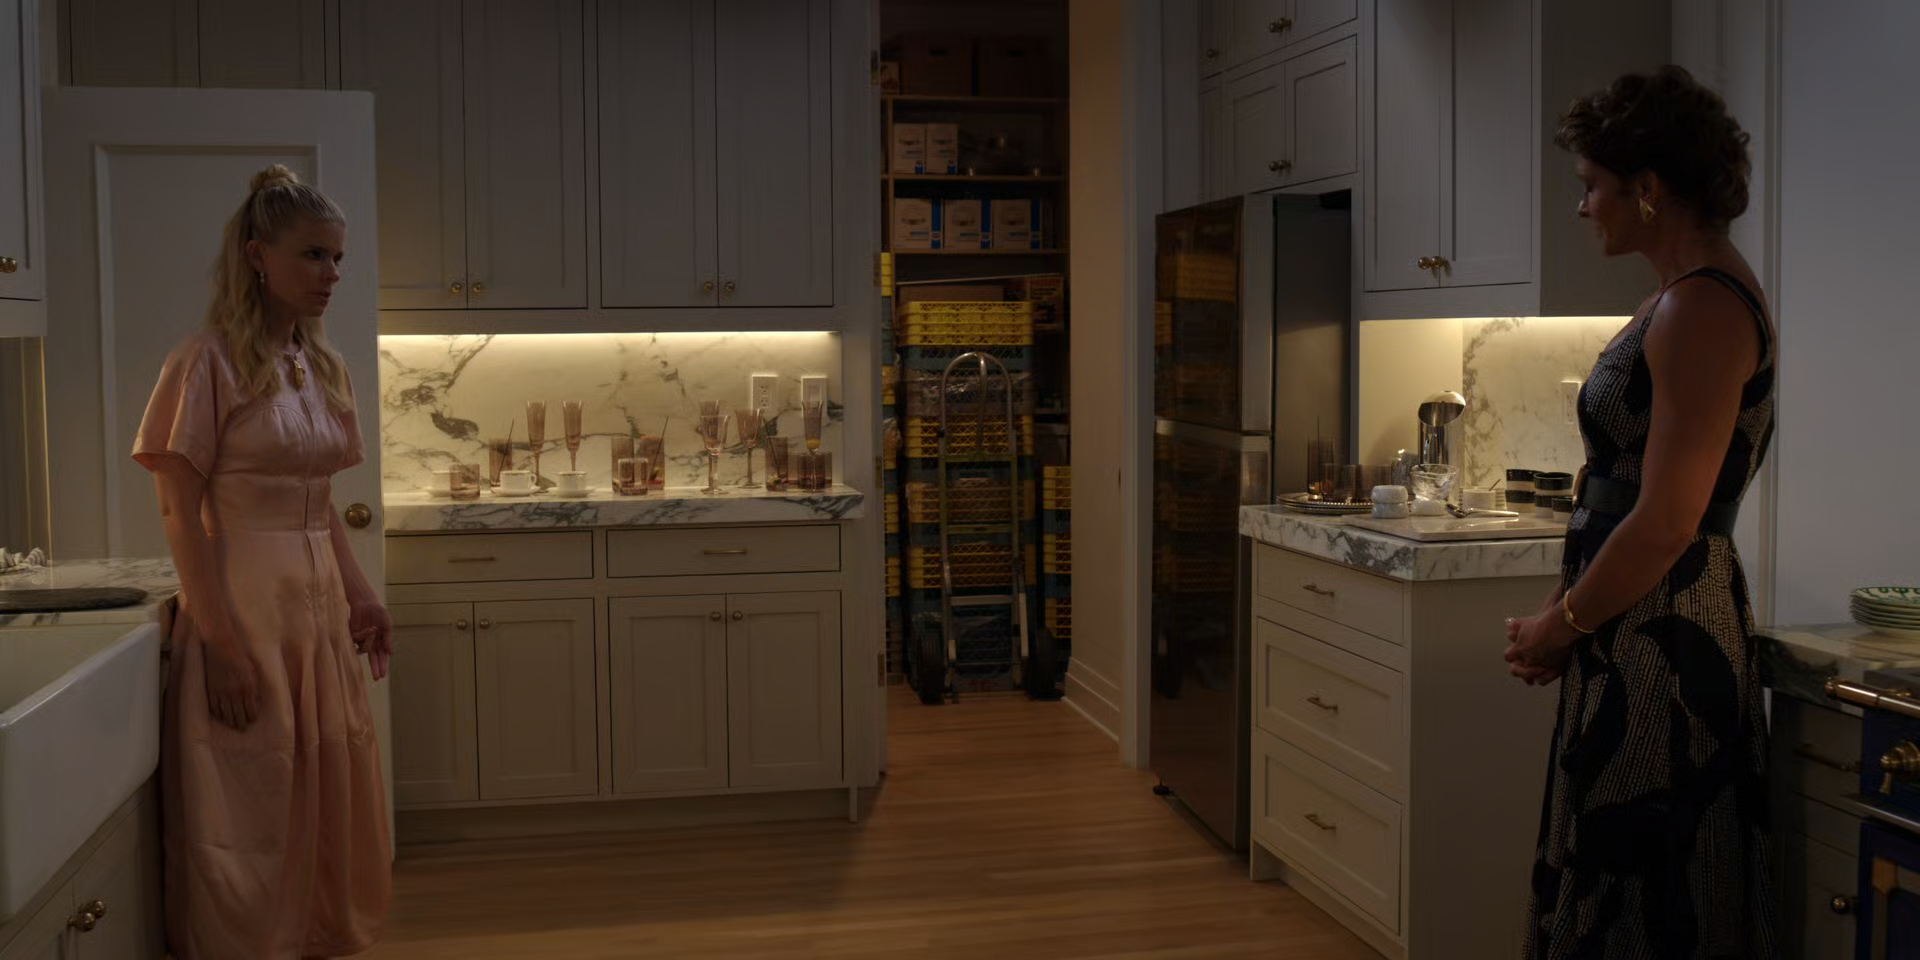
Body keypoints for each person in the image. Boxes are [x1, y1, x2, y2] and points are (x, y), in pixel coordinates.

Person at [1501, 65, 1778, 959]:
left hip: (1665, 632)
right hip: (1634, 619)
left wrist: (1562, 624)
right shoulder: (1679, 295)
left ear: (1647, 188)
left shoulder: (1703, 308)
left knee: (1643, 892)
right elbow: (1622, 488)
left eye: (1592, 185)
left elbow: (1666, 520)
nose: (1582, 206)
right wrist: (1567, 615)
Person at [134, 164, 393, 959]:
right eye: (313, 255)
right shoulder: (205, 362)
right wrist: (217, 640)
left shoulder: (320, 366)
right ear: (257, 256)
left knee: (323, 779)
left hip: (315, 606)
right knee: (254, 793)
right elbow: (179, 511)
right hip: (244, 601)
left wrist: (361, 594)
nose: (331, 274)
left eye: (337, 258)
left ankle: (314, 935)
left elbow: (318, 500)